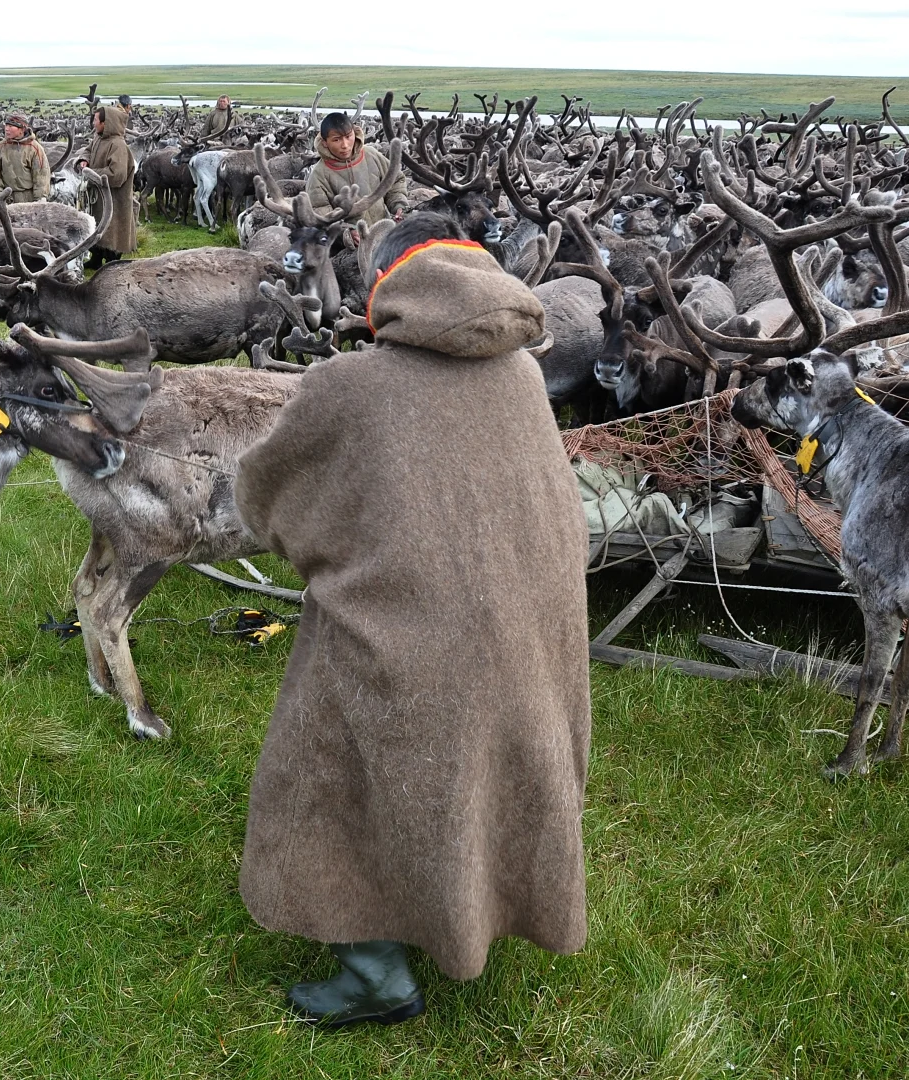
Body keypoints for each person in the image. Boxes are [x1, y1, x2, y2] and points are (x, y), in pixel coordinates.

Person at [230, 212, 590, 1028]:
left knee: (323, 761)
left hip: (417, 639)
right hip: (540, 630)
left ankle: (376, 973)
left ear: (387, 286)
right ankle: (472, 909)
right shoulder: (523, 374)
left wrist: (329, 552)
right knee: (473, 762)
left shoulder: (349, 385)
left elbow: (265, 497)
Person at [307, 111, 405, 228]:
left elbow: (396, 180)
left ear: (354, 133)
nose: (345, 145)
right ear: (325, 142)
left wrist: (398, 206)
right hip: (350, 239)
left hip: (385, 231)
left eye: (348, 137)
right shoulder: (318, 175)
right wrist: (347, 232)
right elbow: (321, 215)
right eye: (336, 140)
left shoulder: (371, 155)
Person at [79, 105, 136, 268]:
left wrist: (90, 173)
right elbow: (88, 150)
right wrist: (84, 159)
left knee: (113, 230)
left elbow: (117, 176)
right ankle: (96, 259)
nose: (93, 123)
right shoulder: (99, 138)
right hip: (100, 196)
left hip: (115, 199)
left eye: (96, 120)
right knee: (98, 226)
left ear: (106, 123)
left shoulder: (118, 145)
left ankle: (113, 263)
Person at [0, 112, 51, 204]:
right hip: (7, 199)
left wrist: (40, 199)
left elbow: (41, 176)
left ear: (22, 129)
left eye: (11, 126)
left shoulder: (35, 149)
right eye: (6, 125)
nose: (6, 129)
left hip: (29, 200)